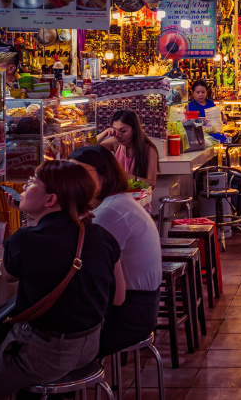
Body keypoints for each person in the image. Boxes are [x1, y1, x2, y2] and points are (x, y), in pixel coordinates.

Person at [0, 160, 125, 400]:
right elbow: (118, 297)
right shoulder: (100, 235)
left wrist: (27, 221)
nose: (24, 188)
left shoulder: (26, 239)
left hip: (42, 355)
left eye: (32, 183)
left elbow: (8, 276)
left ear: (50, 200)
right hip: (89, 347)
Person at [70, 145, 162, 358]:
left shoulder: (110, 211)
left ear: (105, 174)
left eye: (82, 174)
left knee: (53, 341)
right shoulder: (116, 202)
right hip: (139, 308)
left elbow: (82, 265)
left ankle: (58, 385)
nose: (74, 181)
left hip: (127, 317)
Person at [99, 109, 160, 188]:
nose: (119, 135)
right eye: (115, 130)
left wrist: (130, 178)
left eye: (123, 131)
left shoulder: (149, 149)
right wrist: (105, 132)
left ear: (134, 130)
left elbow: (152, 183)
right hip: (120, 195)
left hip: (139, 197)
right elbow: (88, 149)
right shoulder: (115, 142)